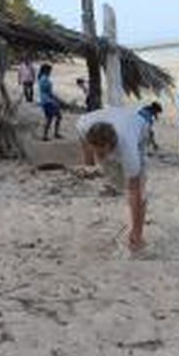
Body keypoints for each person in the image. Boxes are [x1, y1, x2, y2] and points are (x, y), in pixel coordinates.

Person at [77, 107, 151, 251]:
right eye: (96, 151)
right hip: (114, 117)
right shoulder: (83, 125)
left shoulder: (128, 149)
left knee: (138, 188)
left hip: (139, 127)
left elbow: (134, 190)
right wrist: (88, 163)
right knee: (116, 180)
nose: (99, 155)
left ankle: (137, 236)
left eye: (102, 152)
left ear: (112, 146)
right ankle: (114, 182)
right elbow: (82, 139)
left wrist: (136, 231)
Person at [37, 64, 62, 141]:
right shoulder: (45, 79)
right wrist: (57, 99)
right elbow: (49, 92)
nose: (50, 72)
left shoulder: (42, 78)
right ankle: (53, 133)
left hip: (44, 100)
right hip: (48, 101)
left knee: (50, 118)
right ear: (46, 70)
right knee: (56, 117)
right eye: (49, 70)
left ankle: (48, 134)